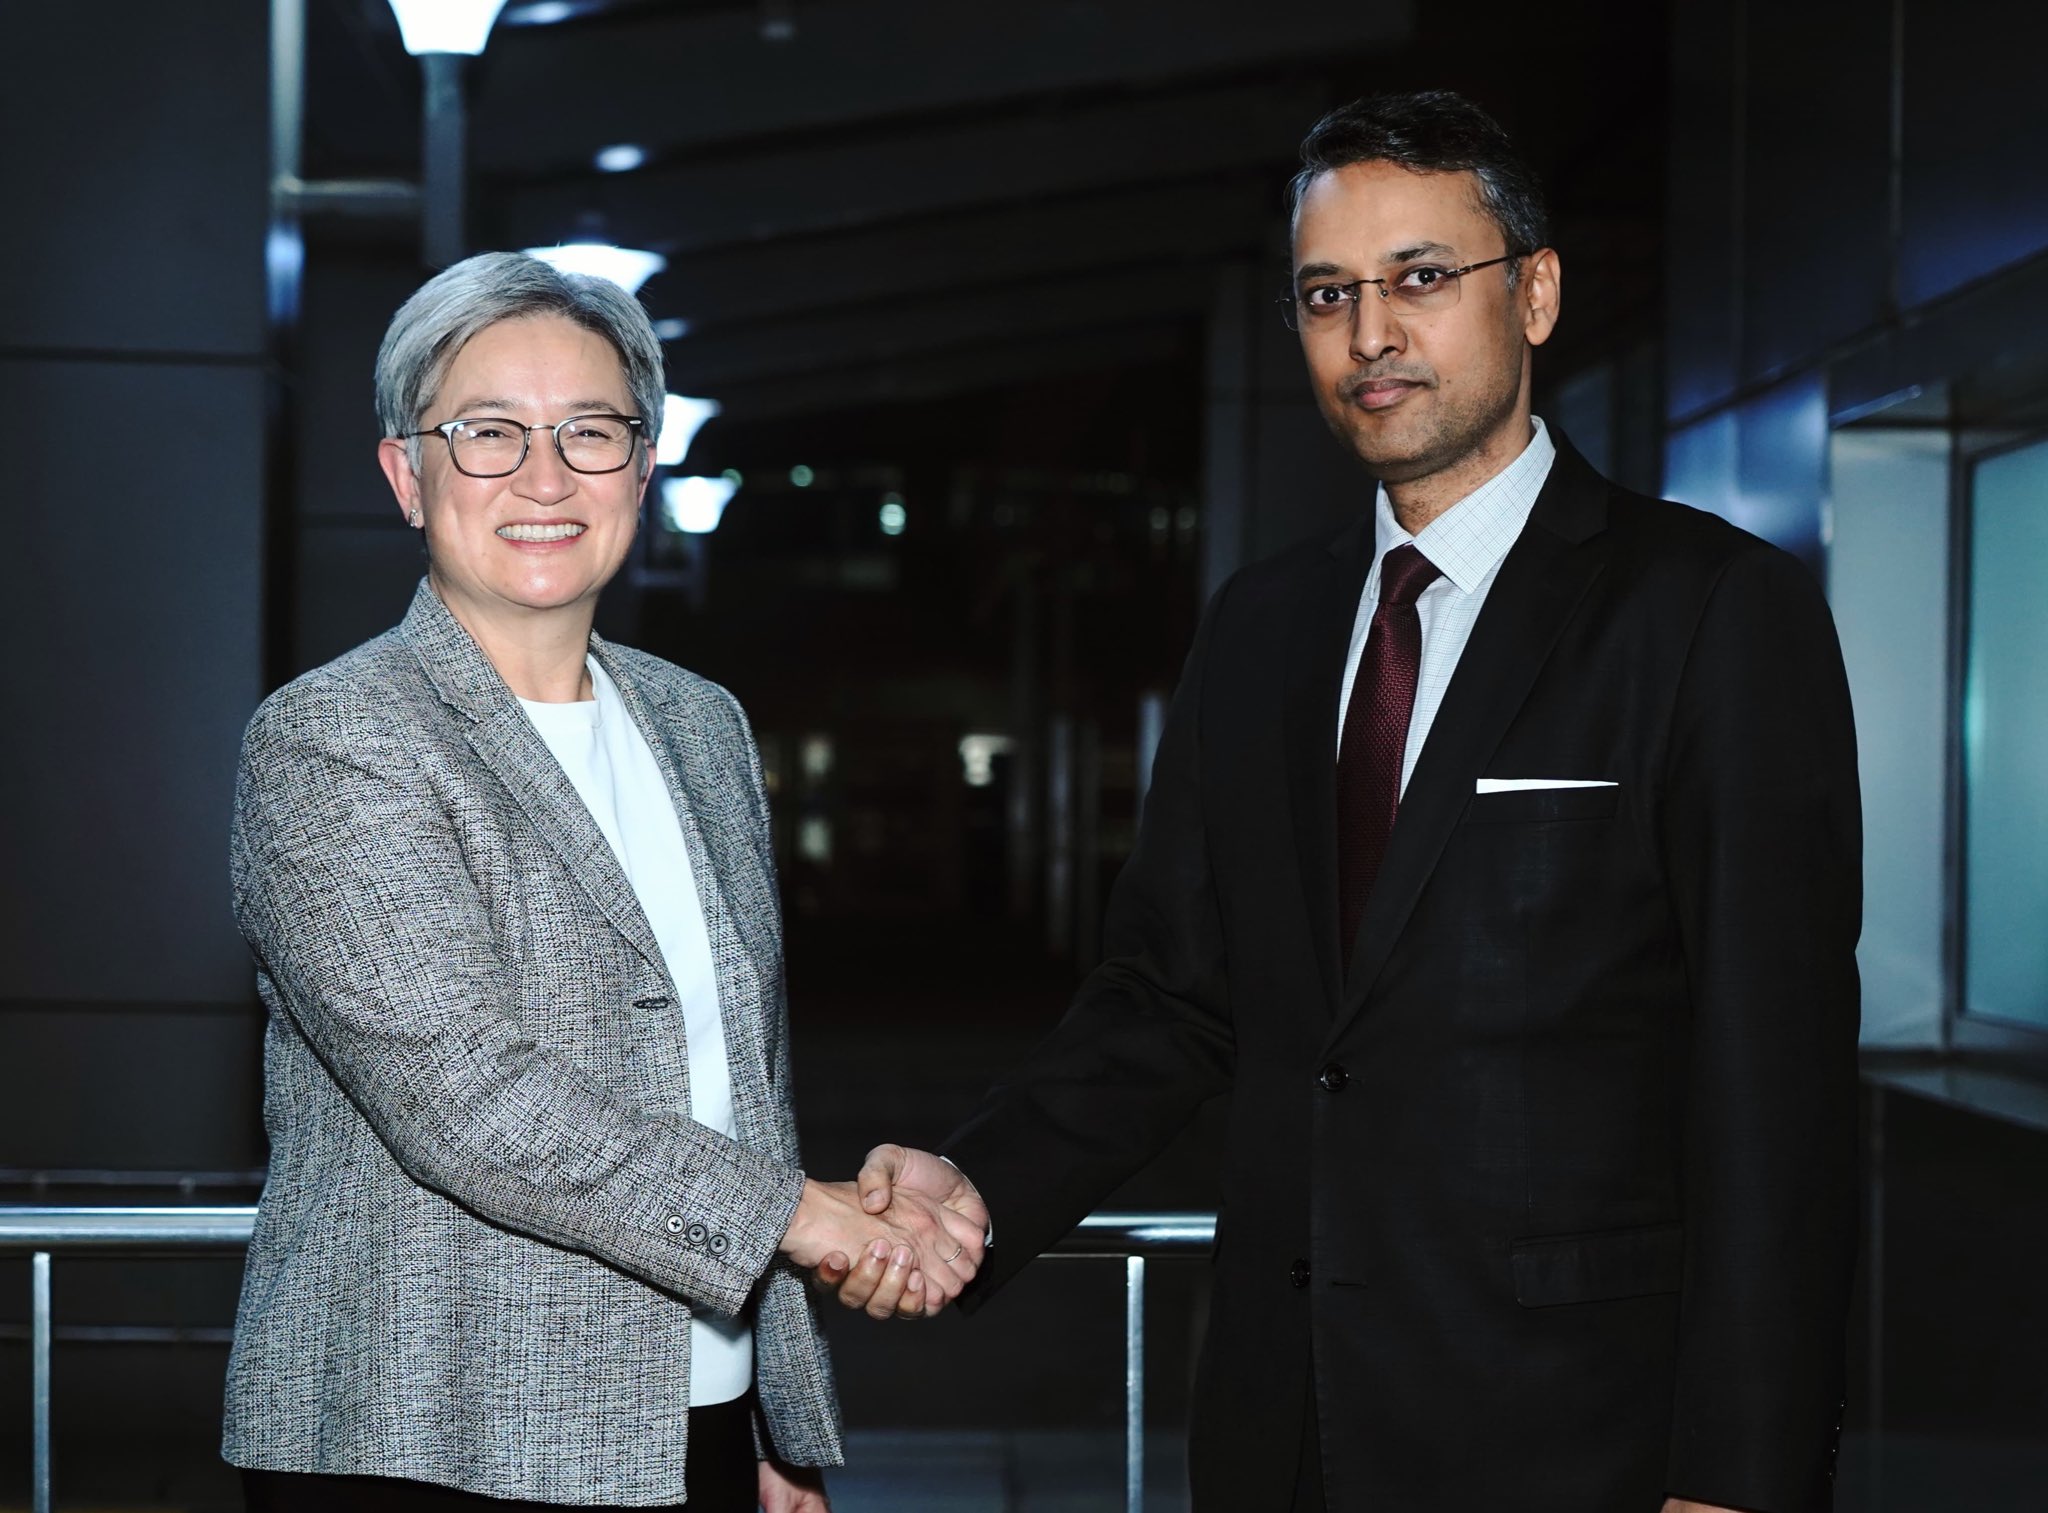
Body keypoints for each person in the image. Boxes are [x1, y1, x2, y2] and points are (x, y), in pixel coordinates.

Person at [833, 91, 1860, 1513]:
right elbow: (1171, 996)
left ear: (1538, 292)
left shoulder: (1710, 613)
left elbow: (1779, 1084)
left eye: (1422, 279)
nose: (1371, 332)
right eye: (1330, 293)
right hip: (1284, 1421)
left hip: (1583, 1435)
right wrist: (976, 1183)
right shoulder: (1263, 625)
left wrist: (1740, 1477)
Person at [221, 252, 985, 1511]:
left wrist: (761, 1412)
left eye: (589, 431)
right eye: (486, 434)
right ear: (405, 475)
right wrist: (809, 1218)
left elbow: (736, 1086)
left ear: (641, 468)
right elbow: (469, 1100)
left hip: (681, 1425)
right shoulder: (335, 737)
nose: (542, 477)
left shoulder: (700, 724)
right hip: (430, 1434)